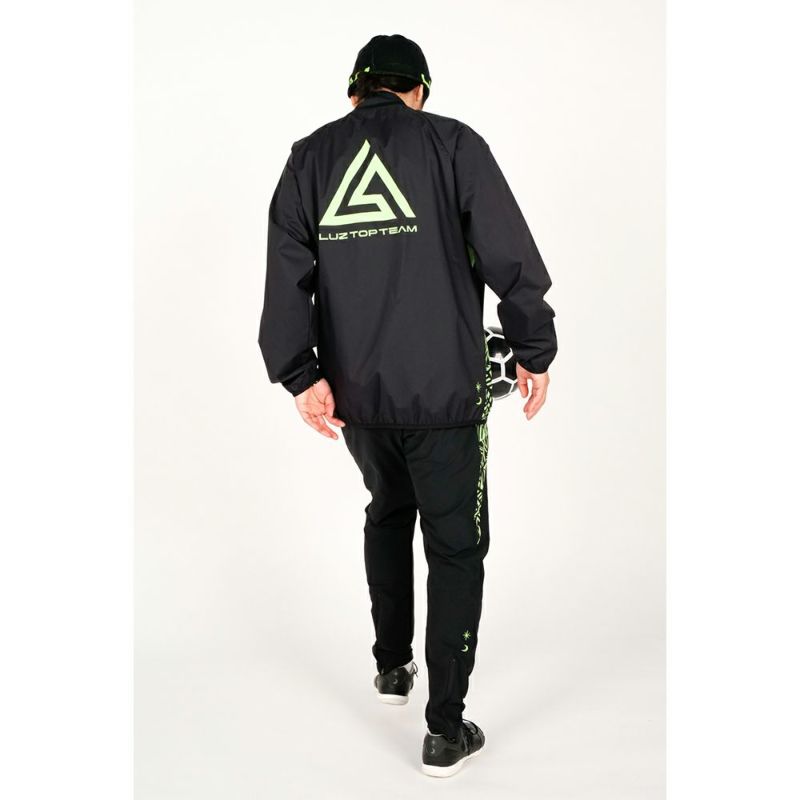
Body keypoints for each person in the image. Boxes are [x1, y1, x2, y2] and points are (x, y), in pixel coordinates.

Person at [258, 33, 557, 778]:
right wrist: (533, 345)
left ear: (354, 91)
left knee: (388, 512)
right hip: (446, 397)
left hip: (358, 398)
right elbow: (510, 254)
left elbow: (285, 275)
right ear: (418, 90)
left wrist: (301, 375)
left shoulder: (311, 158)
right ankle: (445, 730)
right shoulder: (452, 145)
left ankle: (392, 667)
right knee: (455, 547)